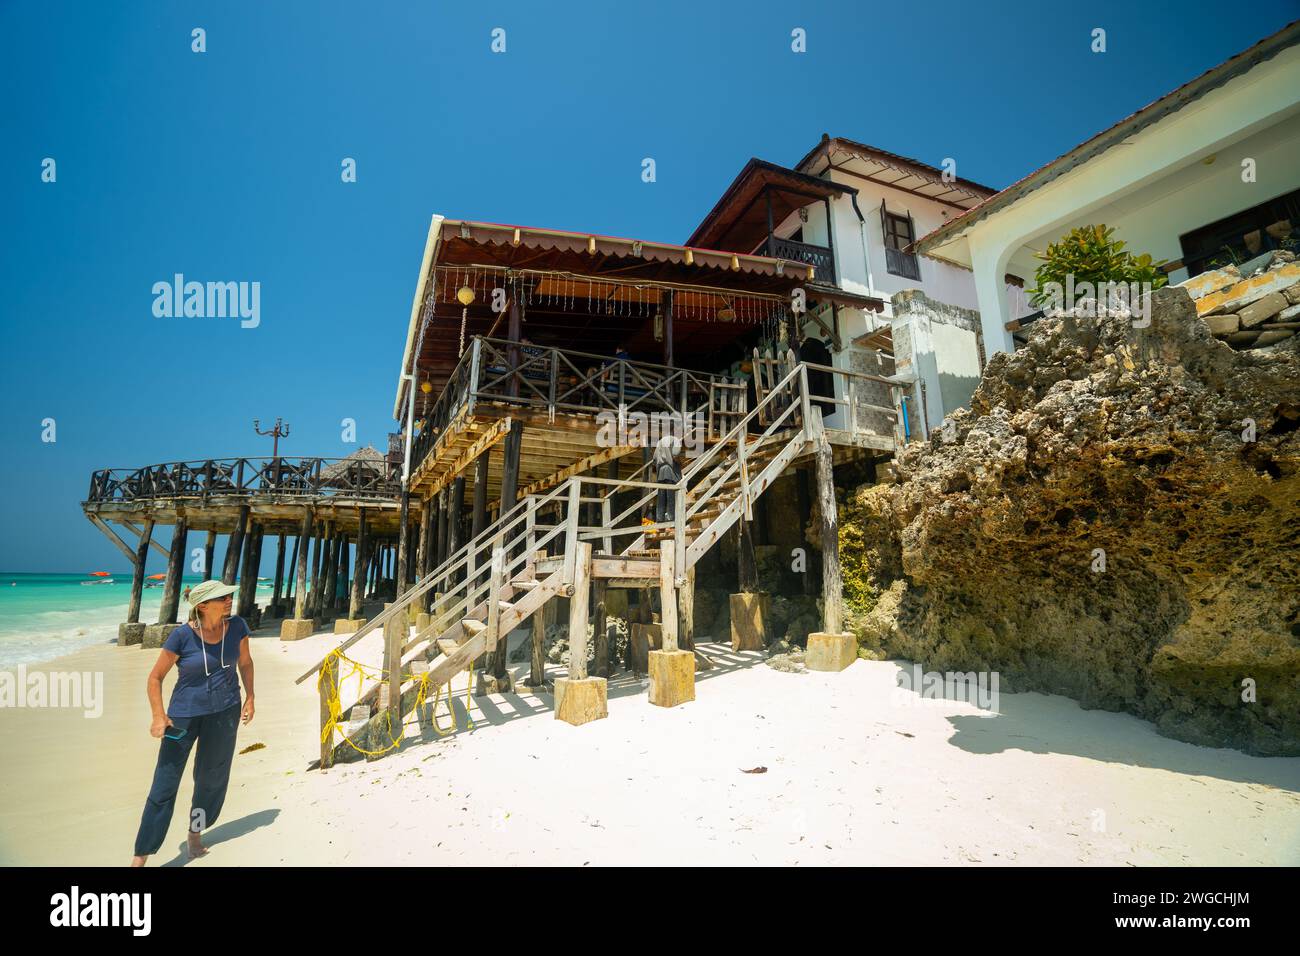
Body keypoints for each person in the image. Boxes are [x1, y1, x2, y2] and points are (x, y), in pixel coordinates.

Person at [130, 579, 255, 866]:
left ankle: (195, 835)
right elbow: (154, 677)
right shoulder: (181, 636)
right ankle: (140, 858)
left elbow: (245, 663)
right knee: (164, 786)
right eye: (221, 598)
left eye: (228, 596)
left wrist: (250, 697)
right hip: (183, 718)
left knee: (211, 780)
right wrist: (158, 715)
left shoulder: (237, 627)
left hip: (225, 713)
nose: (229, 600)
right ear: (202, 606)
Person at [653, 432, 682, 523]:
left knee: (661, 496)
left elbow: (654, 459)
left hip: (660, 472)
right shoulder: (675, 440)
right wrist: (680, 463)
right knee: (670, 496)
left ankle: (660, 518)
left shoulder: (659, 442)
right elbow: (675, 454)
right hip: (670, 471)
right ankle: (670, 518)